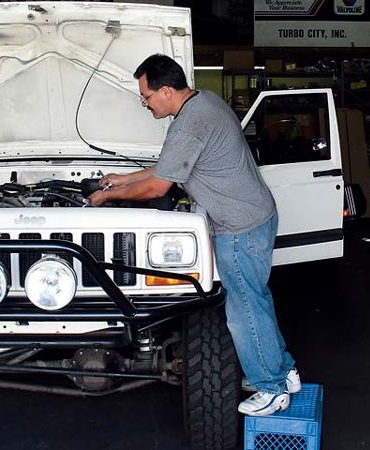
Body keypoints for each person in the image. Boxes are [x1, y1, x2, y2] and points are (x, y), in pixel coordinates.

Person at [87, 54, 300, 416]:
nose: (144, 103)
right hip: (257, 215)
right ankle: (285, 371)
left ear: (166, 90)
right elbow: (172, 163)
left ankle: (272, 388)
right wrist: (123, 178)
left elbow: (158, 187)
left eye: (147, 96)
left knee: (244, 309)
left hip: (238, 228)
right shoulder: (205, 102)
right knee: (257, 301)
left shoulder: (188, 125)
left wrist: (106, 196)